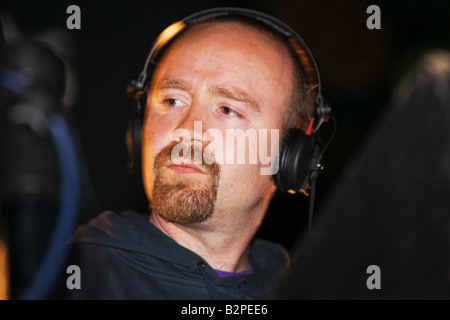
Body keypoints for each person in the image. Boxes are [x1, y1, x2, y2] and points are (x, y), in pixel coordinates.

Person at [59, 8, 323, 300]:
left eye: (227, 109)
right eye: (172, 101)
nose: (186, 130)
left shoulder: (307, 289)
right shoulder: (62, 278)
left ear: (291, 155)